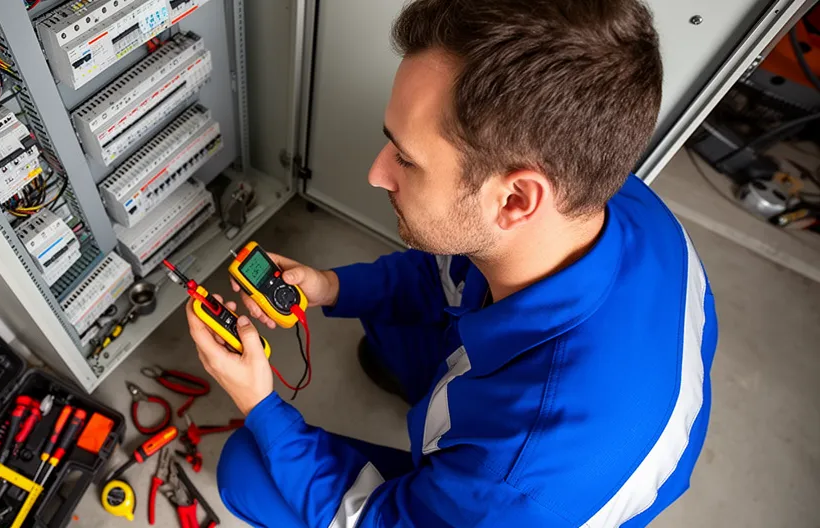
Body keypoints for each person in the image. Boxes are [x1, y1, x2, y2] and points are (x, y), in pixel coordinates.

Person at [183, 0, 718, 526]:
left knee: (248, 468)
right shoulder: (598, 192)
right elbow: (444, 271)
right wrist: (327, 287)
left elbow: (378, 522)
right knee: (384, 315)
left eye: (406, 159)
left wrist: (261, 404)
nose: (376, 173)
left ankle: (440, 454)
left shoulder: (520, 477)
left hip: (517, 500)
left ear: (514, 200)